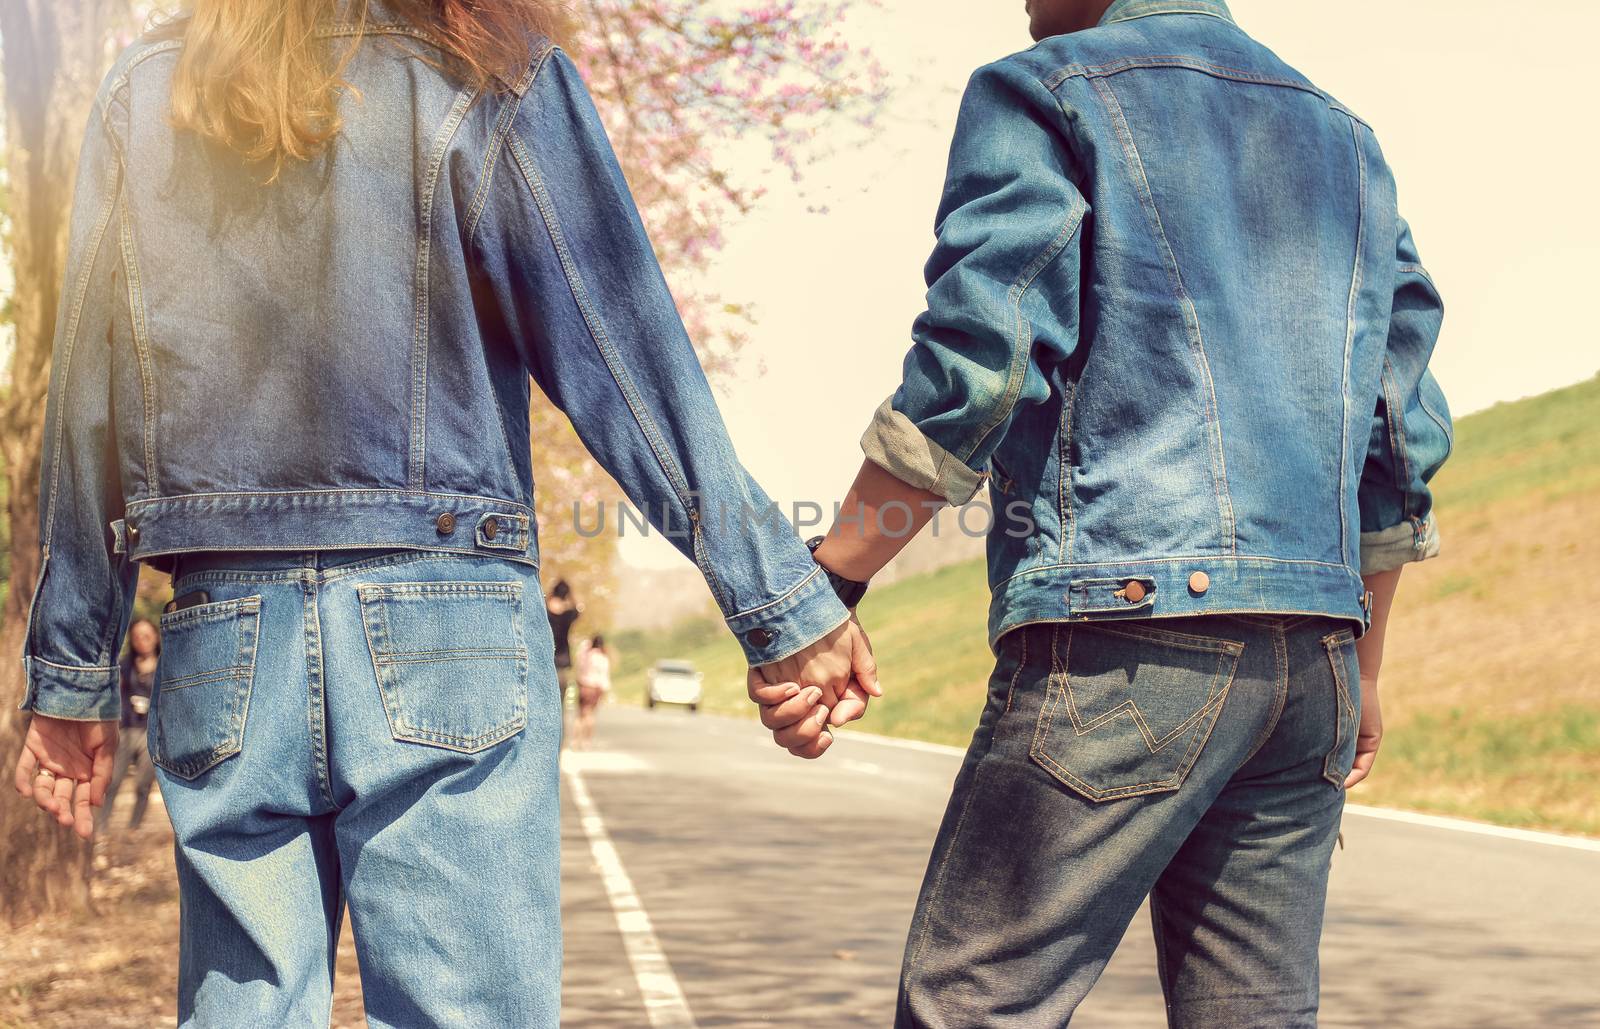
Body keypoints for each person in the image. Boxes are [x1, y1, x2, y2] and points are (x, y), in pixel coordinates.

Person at [10, 1, 877, 1024]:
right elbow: (622, 359)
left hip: (224, 639)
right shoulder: (490, 71)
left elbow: (87, 404)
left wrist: (73, 673)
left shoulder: (146, 89)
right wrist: (780, 606)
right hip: (448, 628)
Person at [751, 0, 1451, 1024]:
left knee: (976, 1004)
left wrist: (836, 578)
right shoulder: (1344, 137)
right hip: (1314, 666)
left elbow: (979, 368)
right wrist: (1366, 668)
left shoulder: (1046, 90)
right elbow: (1398, 437)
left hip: (1126, 636)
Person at [94, 617, 162, 834]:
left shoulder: (166, 665)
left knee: (143, 784)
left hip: (152, 733)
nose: (142, 641)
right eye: (137, 637)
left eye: (146, 636)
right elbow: (114, 692)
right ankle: (100, 828)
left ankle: (134, 829)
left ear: (155, 637)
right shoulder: (125, 665)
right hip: (126, 729)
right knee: (112, 780)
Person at [545, 579, 581, 701]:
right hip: (562, 660)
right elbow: (577, 611)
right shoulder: (568, 613)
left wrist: (549, 596)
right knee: (559, 702)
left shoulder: (544, 610)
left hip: (544, 659)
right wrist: (570, 595)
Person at [573, 634, 611, 749]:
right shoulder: (603, 658)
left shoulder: (586, 655)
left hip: (584, 685)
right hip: (596, 688)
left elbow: (579, 665)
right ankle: (586, 741)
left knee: (580, 715)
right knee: (590, 715)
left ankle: (575, 741)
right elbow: (605, 676)